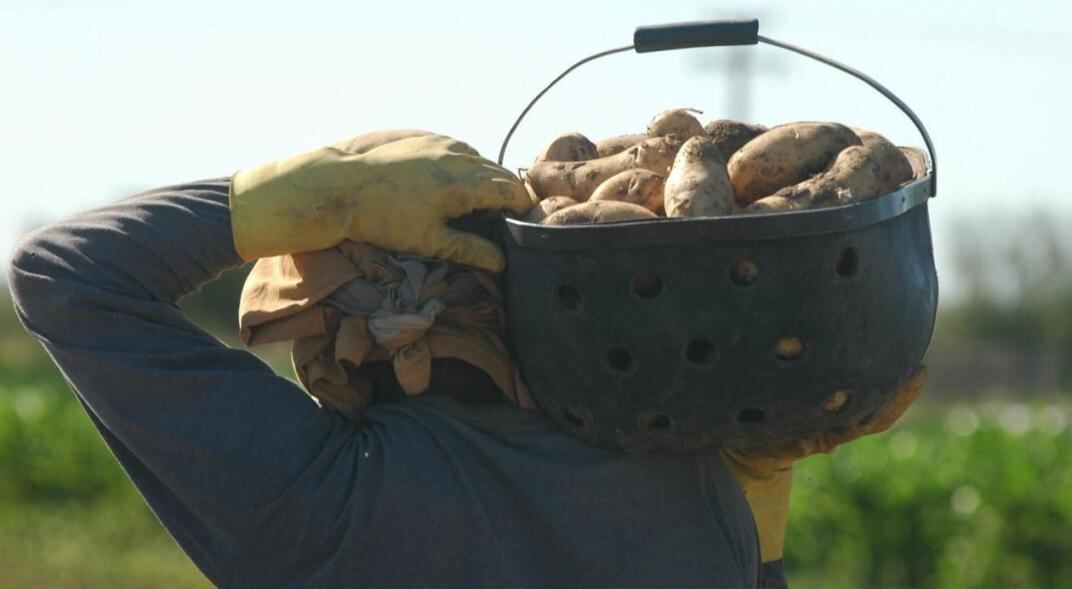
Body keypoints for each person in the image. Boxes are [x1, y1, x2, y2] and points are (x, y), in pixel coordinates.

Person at [7, 130, 923, 588]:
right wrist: (755, 504)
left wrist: (307, 197)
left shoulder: (317, 506)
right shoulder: (686, 483)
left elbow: (60, 273)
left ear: (331, 341)